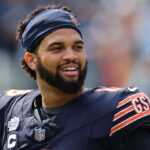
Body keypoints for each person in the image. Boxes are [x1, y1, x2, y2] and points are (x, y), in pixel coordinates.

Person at [0, 4, 150, 150]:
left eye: (78, 47)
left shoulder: (118, 108)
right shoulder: (9, 108)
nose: (71, 56)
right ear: (32, 61)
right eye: (57, 48)